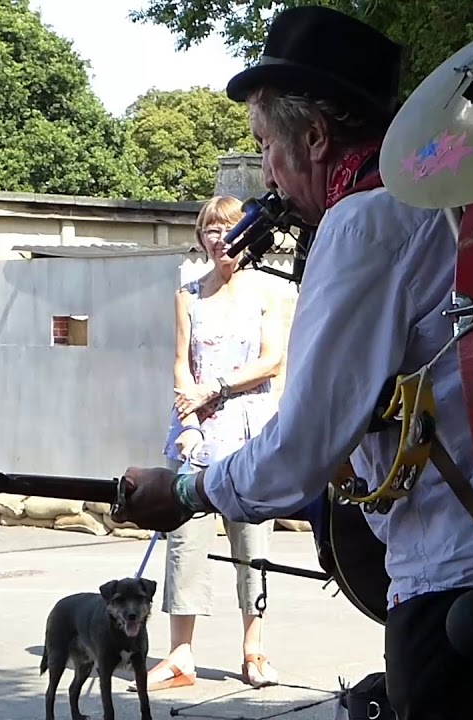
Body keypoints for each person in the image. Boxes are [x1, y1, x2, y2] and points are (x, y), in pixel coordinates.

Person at [112, 6, 473, 718]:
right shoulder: (466, 199)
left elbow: (301, 448)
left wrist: (190, 491)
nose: (267, 170)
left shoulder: (365, 222)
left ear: (316, 137)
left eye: (266, 144)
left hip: (453, 585)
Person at [141, 196, 286, 692]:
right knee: (185, 541)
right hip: (196, 435)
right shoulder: (187, 295)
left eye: (229, 229)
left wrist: (216, 389)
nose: (220, 238)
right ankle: (180, 654)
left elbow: (271, 361)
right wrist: (187, 421)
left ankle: (253, 649)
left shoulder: (266, 292)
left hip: (249, 433)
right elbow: (181, 364)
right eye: (211, 230)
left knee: (252, 543)